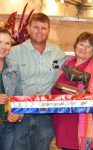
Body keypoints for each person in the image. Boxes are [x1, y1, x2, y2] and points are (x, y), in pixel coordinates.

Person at [8, 13, 66, 150]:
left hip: (46, 116)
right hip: (20, 114)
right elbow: (6, 83)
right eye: (36, 27)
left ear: (49, 30)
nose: (40, 31)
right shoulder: (14, 52)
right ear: (28, 28)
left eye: (44, 28)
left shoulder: (58, 53)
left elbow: (64, 81)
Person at [51, 32, 93, 150]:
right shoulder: (66, 65)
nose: (84, 48)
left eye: (89, 46)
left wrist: (83, 96)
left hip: (88, 129)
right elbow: (54, 91)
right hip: (65, 126)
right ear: (75, 46)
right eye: (81, 44)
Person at [0, 27, 22, 150]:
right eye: (0, 42)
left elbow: (18, 94)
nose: (3, 46)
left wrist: (19, 115)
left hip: (7, 125)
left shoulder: (13, 66)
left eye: (7, 43)